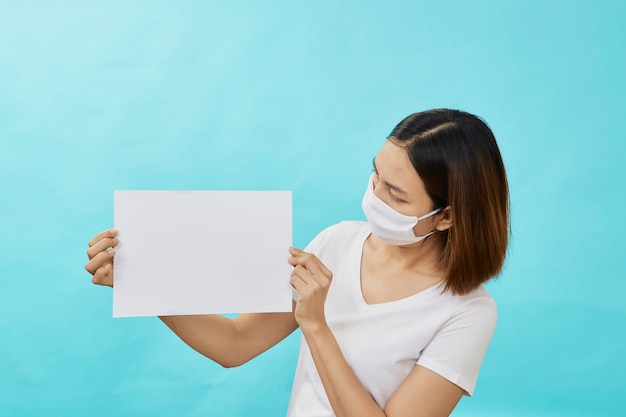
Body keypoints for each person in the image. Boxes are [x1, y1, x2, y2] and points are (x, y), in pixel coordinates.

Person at [85, 108, 510, 417]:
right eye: (375, 175)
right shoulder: (337, 242)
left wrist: (316, 325)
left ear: (448, 215)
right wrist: (143, 281)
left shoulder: (467, 312)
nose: (374, 197)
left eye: (396, 195)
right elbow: (234, 344)